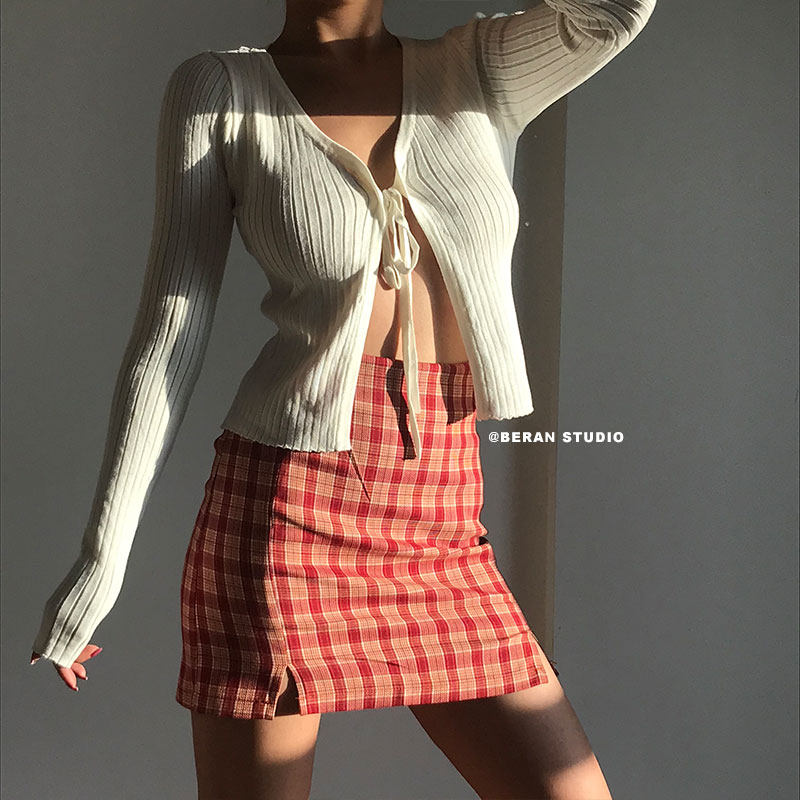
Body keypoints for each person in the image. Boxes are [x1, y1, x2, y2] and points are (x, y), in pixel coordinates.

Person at [29, 1, 657, 797]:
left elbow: (615, 13)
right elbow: (169, 335)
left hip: (444, 520)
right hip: (288, 511)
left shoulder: (479, 67)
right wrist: (99, 566)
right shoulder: (220, 90)